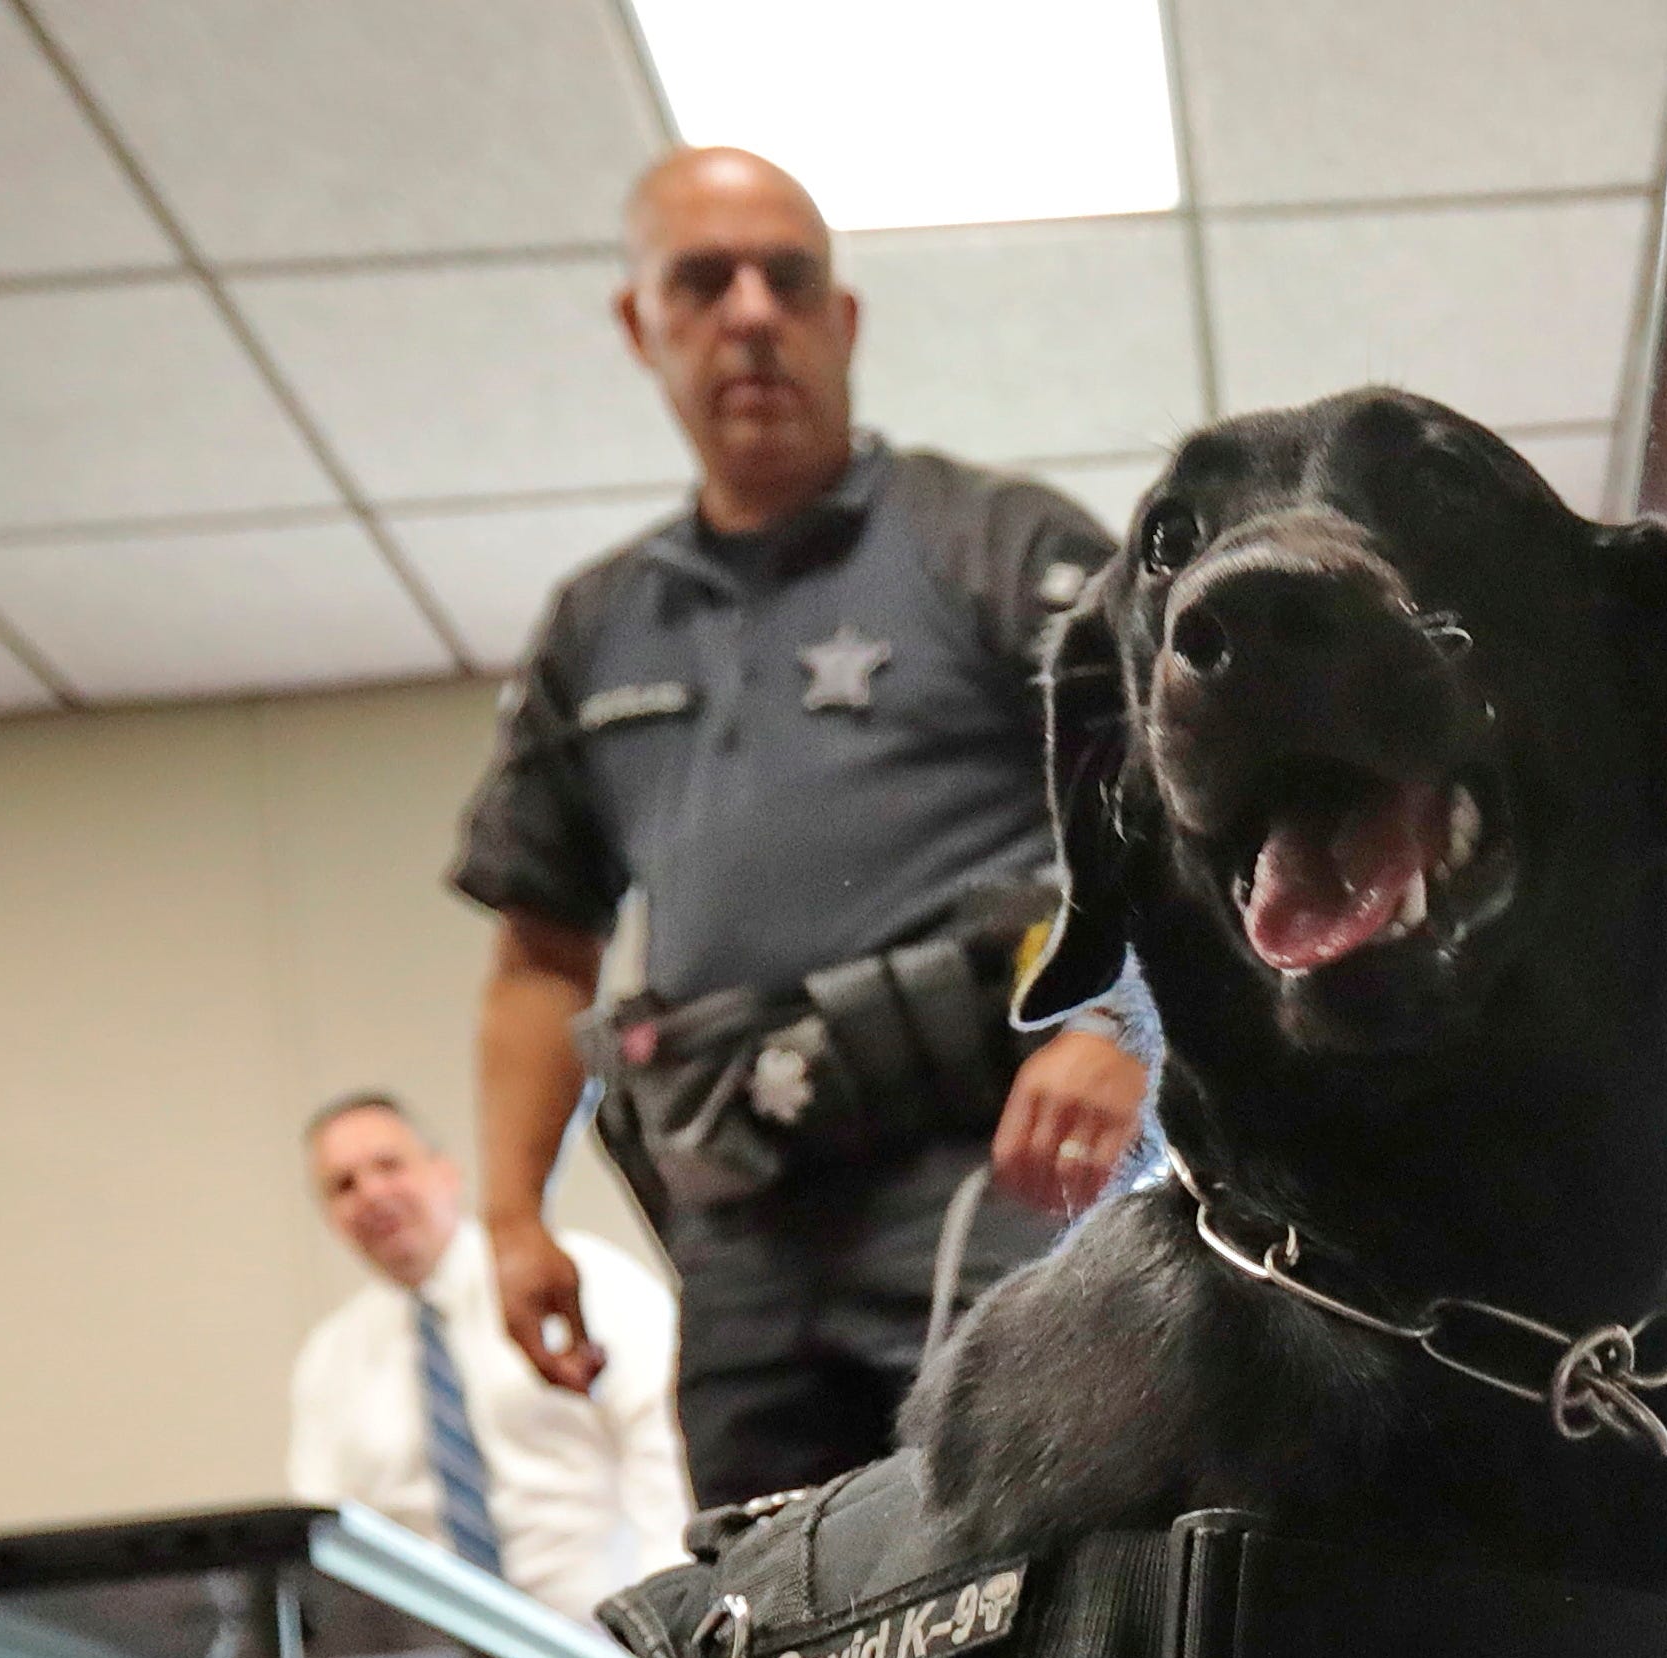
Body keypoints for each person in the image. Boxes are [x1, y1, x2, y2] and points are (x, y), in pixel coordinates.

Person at [451, 144, 1152, 1508]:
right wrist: (509, 1219)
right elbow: (542, 950)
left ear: (843, 319)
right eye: (702, 282)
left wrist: (1118, 1019)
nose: (751, 313)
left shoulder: (994, 544)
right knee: (762, 1625)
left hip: (998, 1166)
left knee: (1041, 1562)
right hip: (743, 1227)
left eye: (790, 279)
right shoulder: (597, 628)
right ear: (638, 324)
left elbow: (1185, 796)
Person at [283, 1091, 688, 1624]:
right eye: (343, 1185)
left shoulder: (581, 1281)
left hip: (612, 1647)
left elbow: (668, 1454)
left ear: (446, 1173)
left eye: (388, 1166)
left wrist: (674, 1629)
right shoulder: (330, 1360)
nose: (371, 1194)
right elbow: (326, 1536)